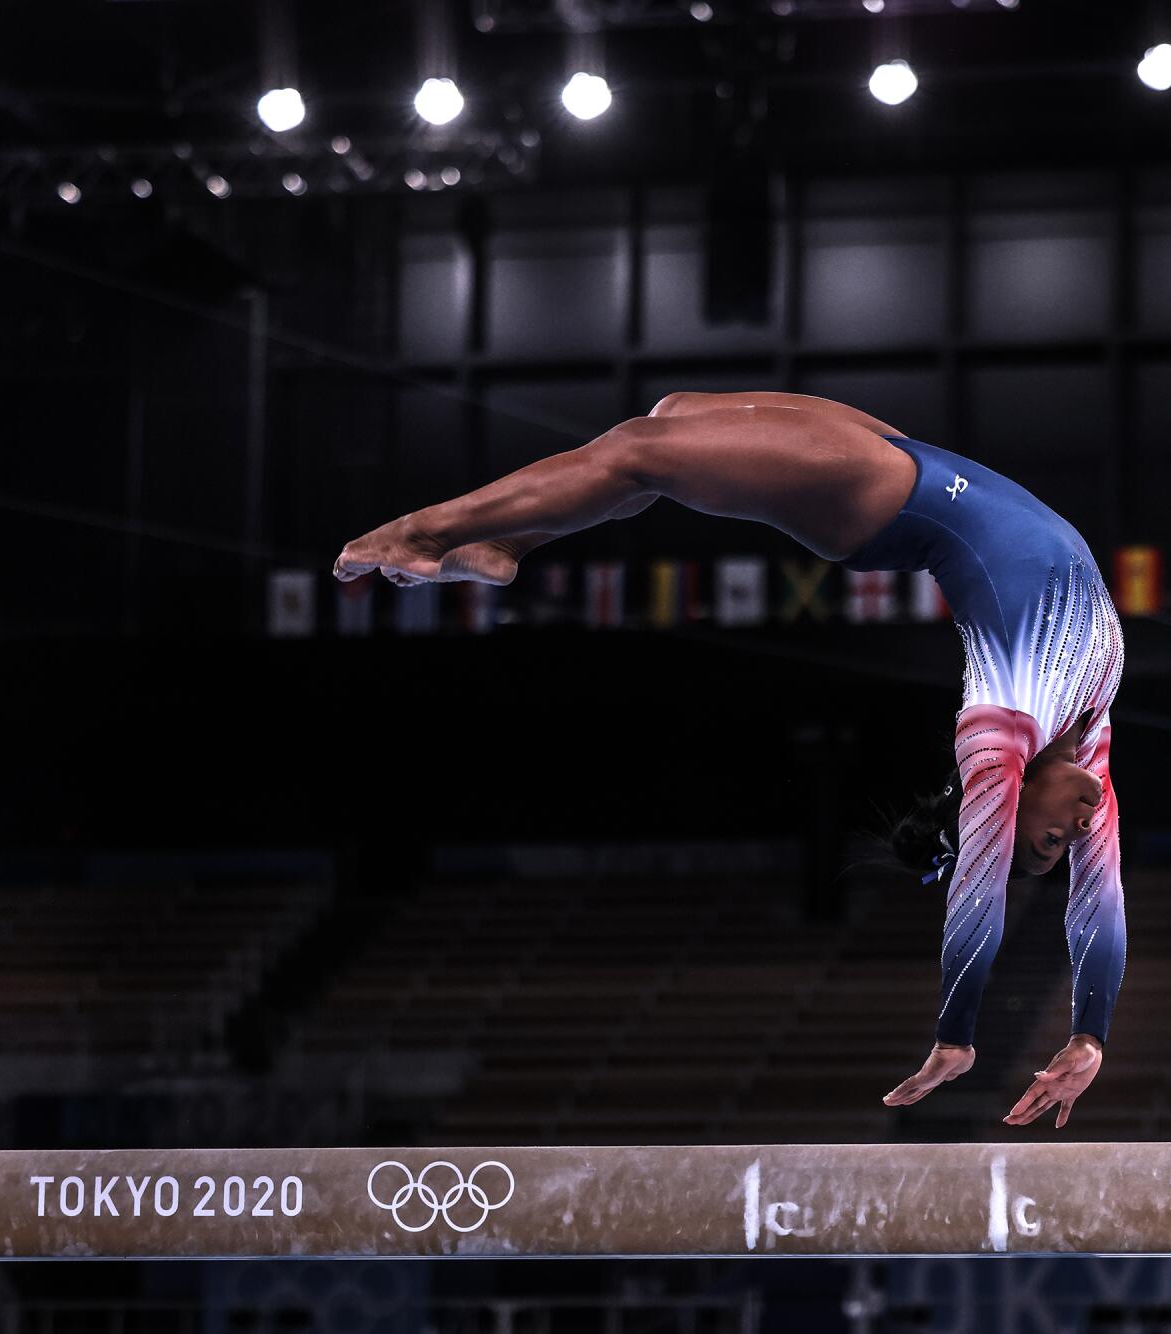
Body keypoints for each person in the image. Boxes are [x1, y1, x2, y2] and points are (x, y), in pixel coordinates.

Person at [333, 392, 1125, 1128]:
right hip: (910, 461)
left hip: (885, 496)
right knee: (671, 417)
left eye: (1051, 839)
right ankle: (504, 541)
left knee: (645, 451)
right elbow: (1100, 902)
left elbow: (979, 892)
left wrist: (957, 1035)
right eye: (1060, 843)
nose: (1080, 826)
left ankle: (428, 534)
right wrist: (1089, 1036)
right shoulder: (1086, 739)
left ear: (1000, 804)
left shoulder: (999, 736)